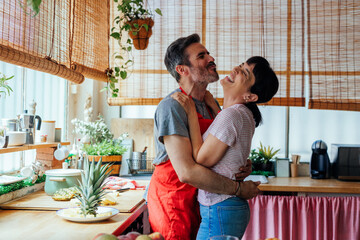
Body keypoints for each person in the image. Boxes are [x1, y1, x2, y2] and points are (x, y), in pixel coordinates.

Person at [147, 34, 261, 240]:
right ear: (182, 70)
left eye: (208, 53)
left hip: (203, 200)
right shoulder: (173, 106)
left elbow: (221, 149)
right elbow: (187, 172)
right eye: (202, 56)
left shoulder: (211, 105)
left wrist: (241, 164)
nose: (211, 58)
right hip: (175, 203)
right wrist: (238, 189)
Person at [172, 56, 279, 239]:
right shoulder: (242, 114)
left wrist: (190, 112)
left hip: (221, 206)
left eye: (244, 73)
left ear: (251, 97)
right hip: (227, 207)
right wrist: (215, 107)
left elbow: (201, 159)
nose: (236, 69)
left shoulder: (231, 116)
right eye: (241, 65)